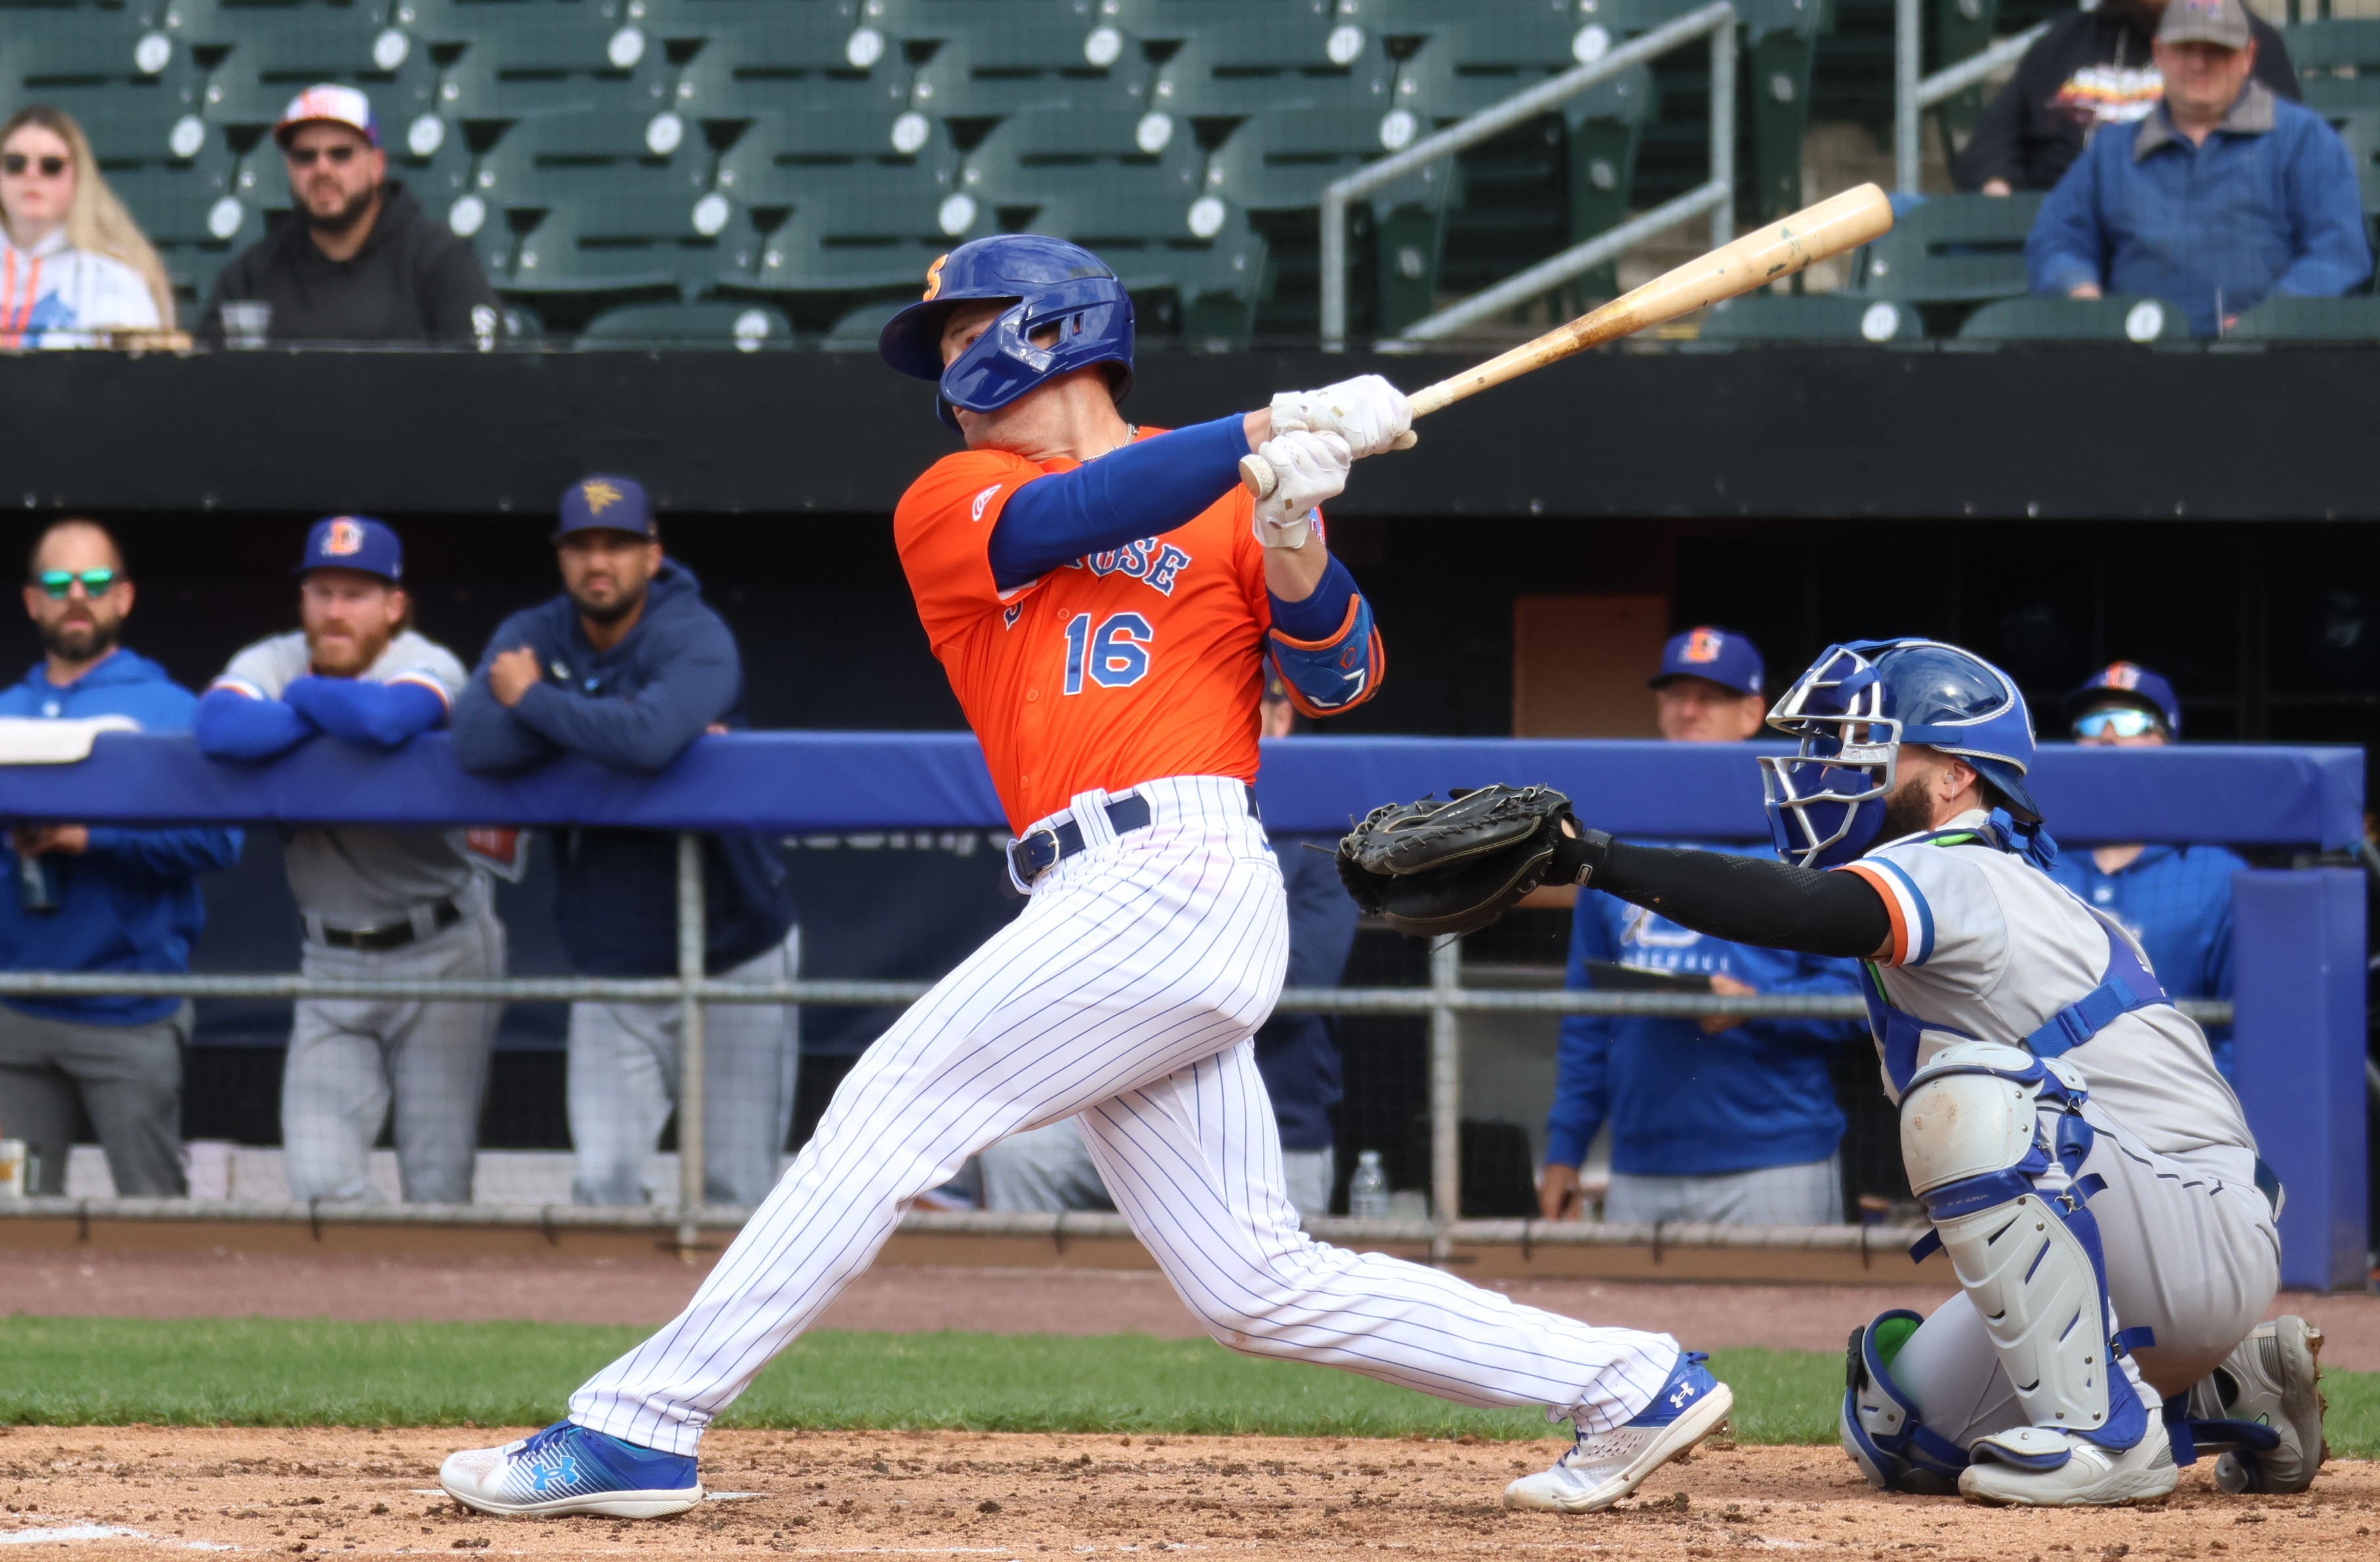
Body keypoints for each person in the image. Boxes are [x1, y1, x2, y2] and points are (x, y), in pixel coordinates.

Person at [439, 235, 1732, 1522]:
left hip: (1174, 869)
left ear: (1054, 326)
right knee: (1250, 1280)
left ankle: (641, 1421)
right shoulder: (948, 498)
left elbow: (1343, 677)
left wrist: (1289, 528)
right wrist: (1265, 426)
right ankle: (1631, 1379)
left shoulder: (1233, 484)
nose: (945, 362)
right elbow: (1079, 510)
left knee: (886, 1106)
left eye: (961, 330)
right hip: (1089, 892)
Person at [1429, 637, 2318, 1505]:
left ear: (1956, 775)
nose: (1830, 772)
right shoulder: (1984, 874)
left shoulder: (1963, 863)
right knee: (1897, 1428)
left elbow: (1806, 909)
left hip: (2191, 1222)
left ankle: (2108, 1437)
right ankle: (2232, 1385)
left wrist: (1592, 857)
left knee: (1965, 1101)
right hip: (2159, 1234)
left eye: (1867, 751)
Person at [450, 475, 798, 1211]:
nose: (598, 561)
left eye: (618, 544)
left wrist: (537, 703)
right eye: (581, 546)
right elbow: (477, 742)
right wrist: (610, 722)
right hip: (611, 959)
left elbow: (647, 740)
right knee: (600, 1186)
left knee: (735, 1192)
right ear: (562, 557)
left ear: (652, 555)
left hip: (736, 949)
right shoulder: (532, 631)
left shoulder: (692, 632)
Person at [973, 668, 1360, 1221]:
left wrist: (1144, 975)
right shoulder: (1134, 817)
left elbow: (1299, 982)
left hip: (1272, 1118)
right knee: (1022, 1153)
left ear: (1282, 716)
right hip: (1114, 1100)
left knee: (1266, 1286)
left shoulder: (1319, 833)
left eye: (1247, 708)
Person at [193, 516, 503, 1203]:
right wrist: (327, 708)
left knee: (438, 1184)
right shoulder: (271, 655)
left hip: (444, 945)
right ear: (303, 601)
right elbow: (217, 726)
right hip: (331, 959)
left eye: (356, 594)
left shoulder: (425, 658)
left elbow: (386, 721)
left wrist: (302, 698)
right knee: (319, 1179)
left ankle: (434, 1307)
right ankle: (377, 1298)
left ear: (394, 606)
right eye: (322, 591)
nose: (335, 611)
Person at [1540, 628, 1865, 1228]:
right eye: (1676, 694)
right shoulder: (1616, 845)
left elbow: (1859, 998)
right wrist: (1566, 1148)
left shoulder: (1803, 839)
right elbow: (1587, 1017)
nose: (1689, 711)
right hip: (1640, 1160)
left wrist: (1759, 1006)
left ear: (1751, 714)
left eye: (1710, 697)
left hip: (1774, 1157)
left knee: (1778, 1325)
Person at [0, 520, 242, 1197]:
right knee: (14, 1215)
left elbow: (220, 841)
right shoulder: (6, 712)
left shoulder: (169, 708)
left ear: (125, 597)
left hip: (129, 1010)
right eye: (58, 582)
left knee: (153, 1212)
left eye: (96, 581)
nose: (78, 595)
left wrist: (89, 838)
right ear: (32, 602)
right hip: (14, 1011)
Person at [2026, 0, 2369, 337]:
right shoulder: (2112, 149)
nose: (2199, 63)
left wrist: (2271, 319)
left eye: (2217, 50)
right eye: (2185, 48)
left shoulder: (2304, 139)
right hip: (2134, 361)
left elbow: (2337, 253)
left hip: (2269, 363)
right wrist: (2079, 291)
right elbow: (2056, 239)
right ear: (2159, 53)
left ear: (2248, 57)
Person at [2051, 662, 2245, 1081]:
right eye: (2092, 721)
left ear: (2167, 741)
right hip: (2041, 1109)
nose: (2107, 735)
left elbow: (2249, 1034)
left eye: (2128, 721)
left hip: (2174, 1114)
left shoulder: (2217, 872)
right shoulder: (2030, 859)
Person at [195, 85, 496, 346]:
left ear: (377, 166)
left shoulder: (440, 262)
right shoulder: (252, 275)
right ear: (289, 169)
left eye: (341, 154)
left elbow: (488, 379)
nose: (322, 169)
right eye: (305, 157)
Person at [1956, 0, 2298, 195]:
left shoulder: (2240, 45)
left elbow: (2279, 166)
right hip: (2049, 232)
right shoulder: (2065, 40)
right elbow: (1991, 144)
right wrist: (1997, 194)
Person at [1, 105, 174, 348]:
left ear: (79, 177)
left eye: (51, 165)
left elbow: (134, 379)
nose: (31, 174)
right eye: (15, 163)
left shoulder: (111, 279)